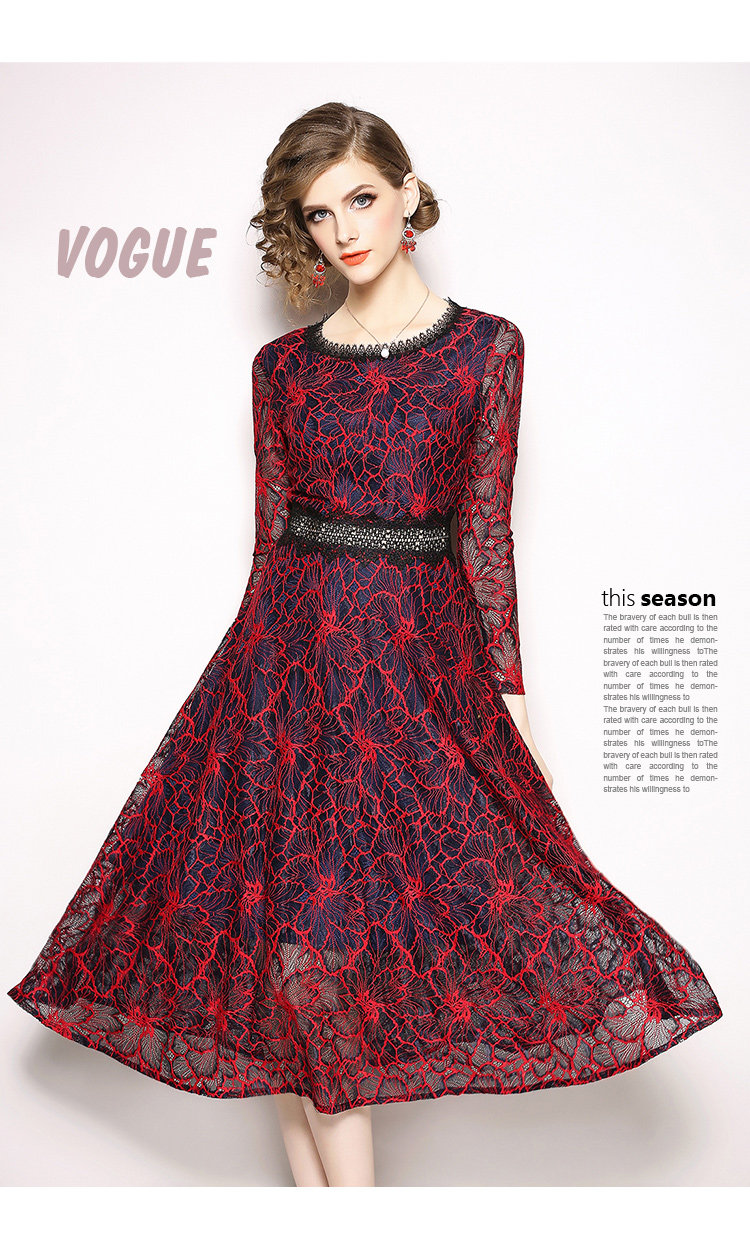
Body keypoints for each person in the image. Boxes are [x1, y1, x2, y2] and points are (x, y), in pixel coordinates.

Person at [7, 101, 722, 1188]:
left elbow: (485, 535)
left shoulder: (486, 350)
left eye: (361, 198)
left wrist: (511, 707)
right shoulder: (280, 370)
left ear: (406, 194)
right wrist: (239, 708)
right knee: (288, 959)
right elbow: (269, 549)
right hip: (284, 677)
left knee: (340, 957)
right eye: (318, 212)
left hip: (410, 679)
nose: (343, 230)